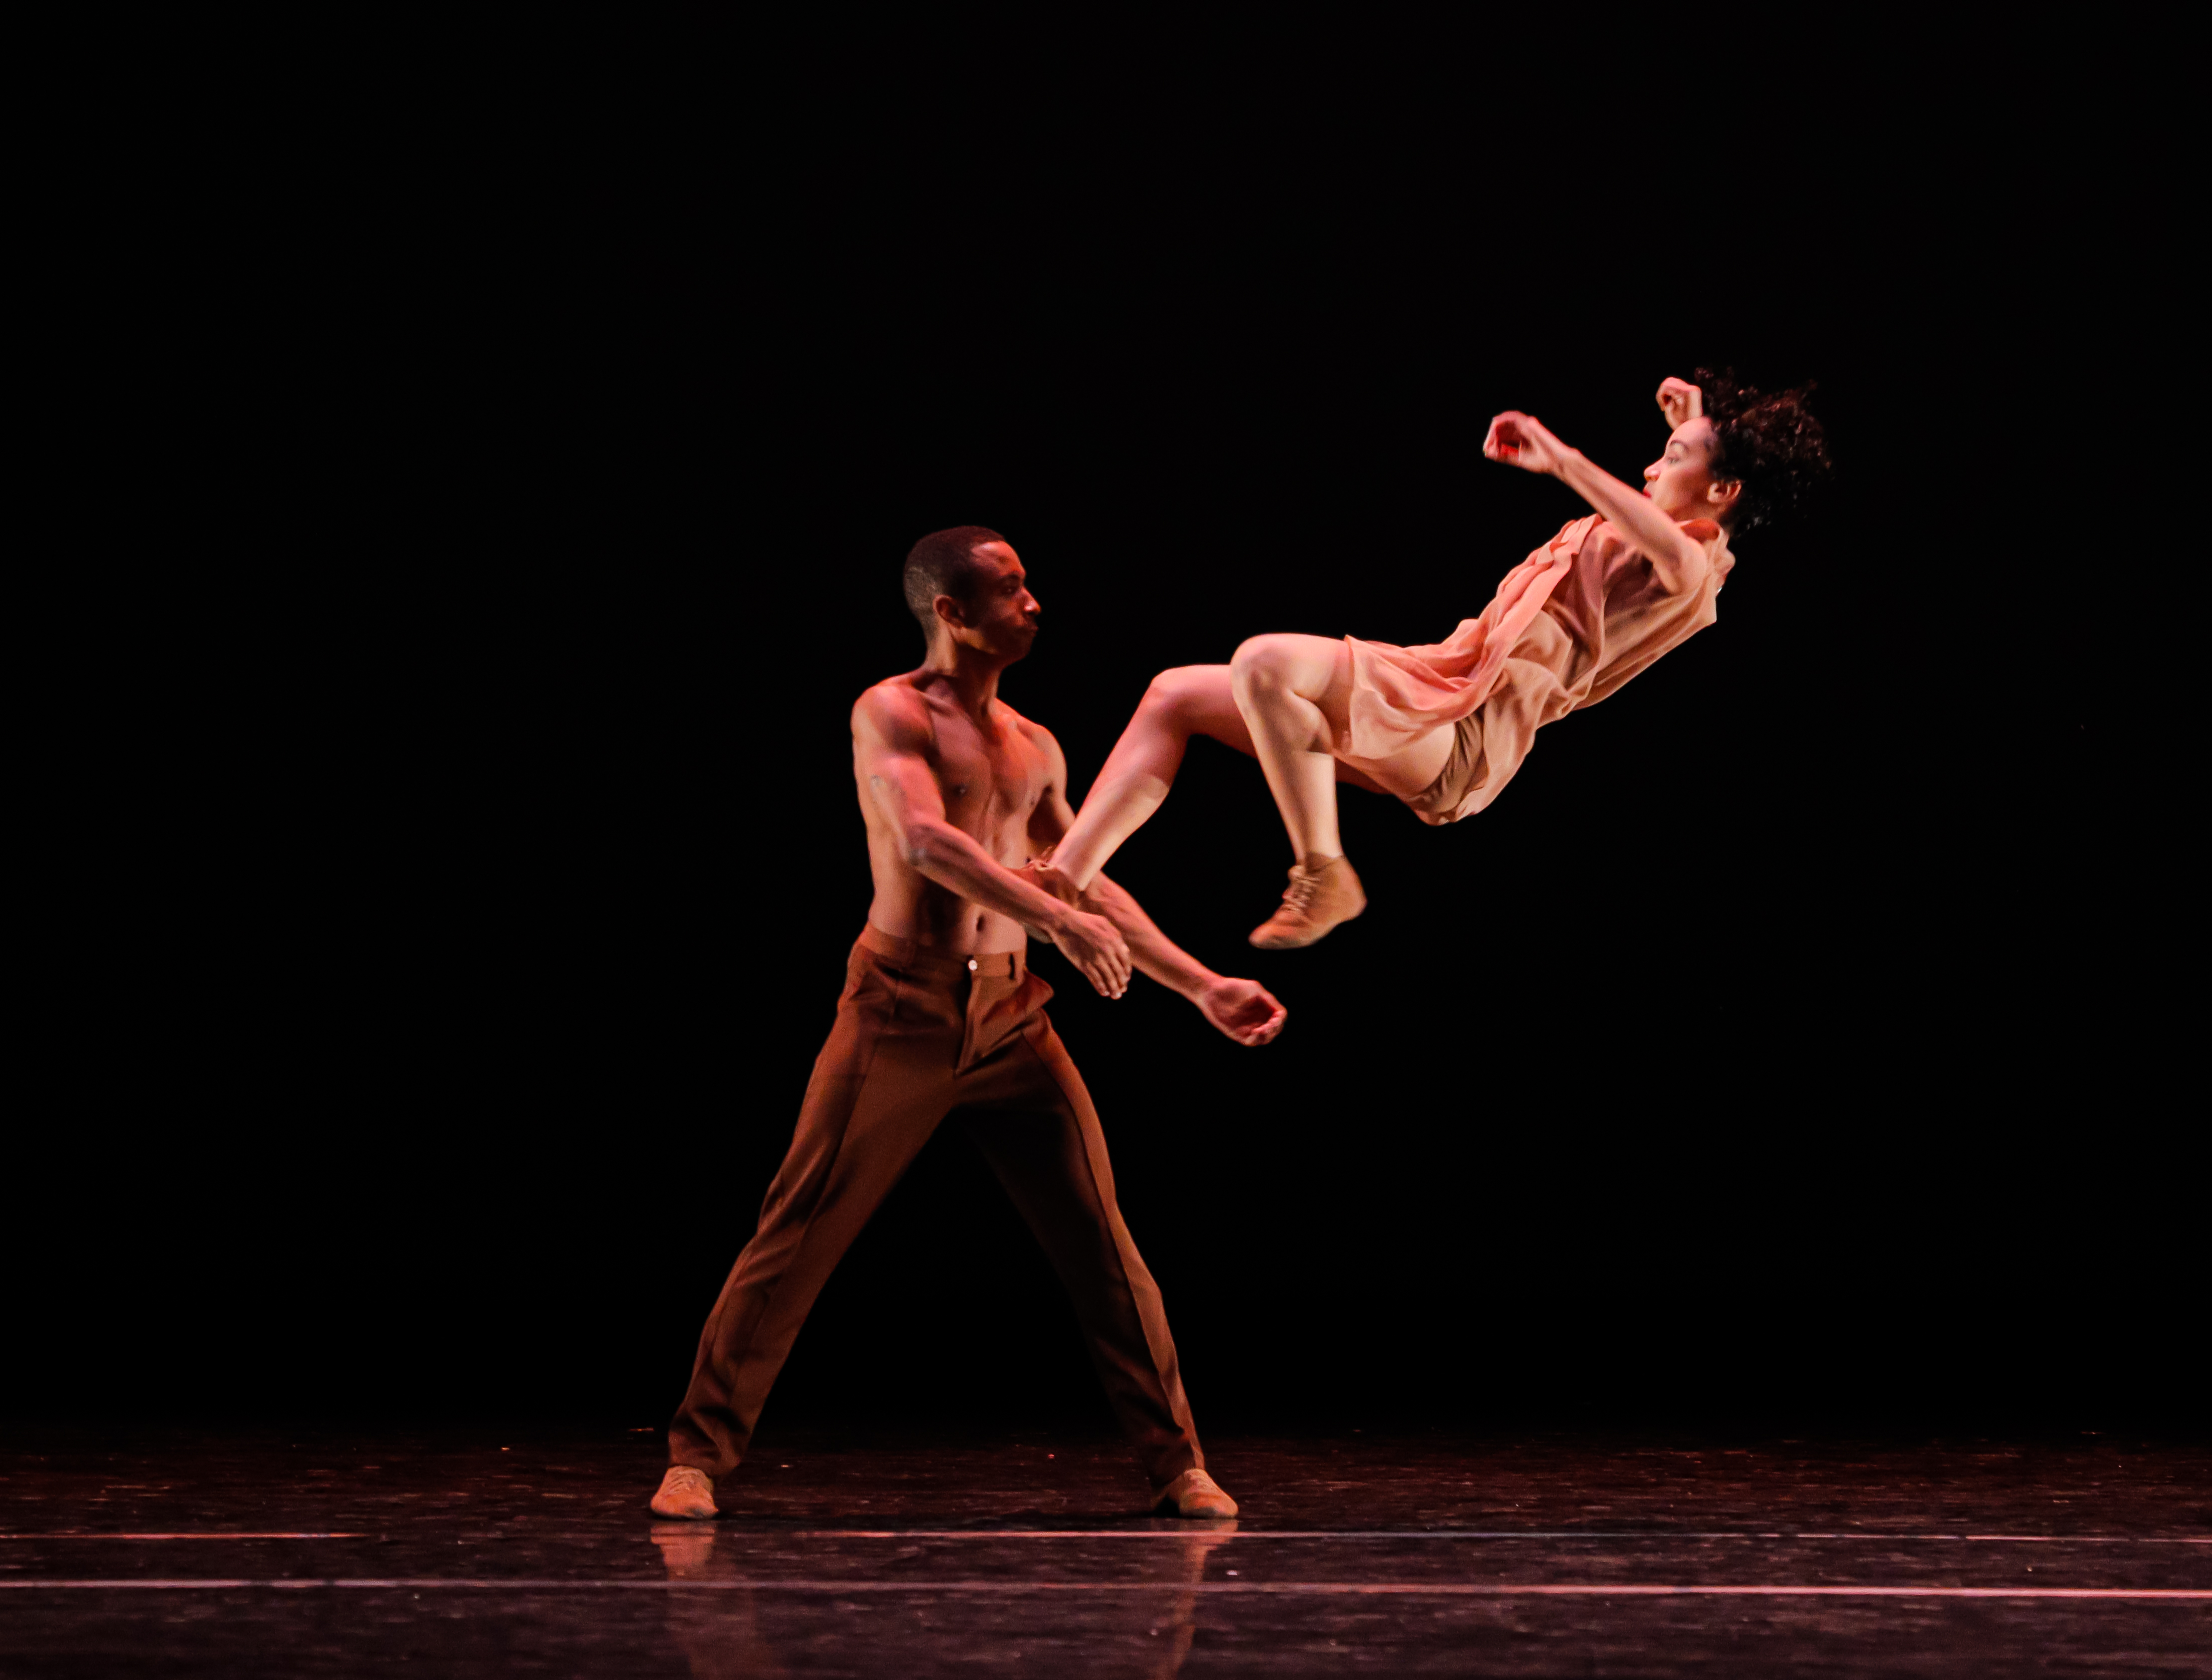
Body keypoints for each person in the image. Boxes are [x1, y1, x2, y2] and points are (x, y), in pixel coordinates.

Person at [650, 527, 1286, 1523]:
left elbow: (1084, 880)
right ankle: (697, 1455)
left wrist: (1198, 984)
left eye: (1029, 584)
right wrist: (1057, 920)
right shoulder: (891, 712)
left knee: (1103, 1245)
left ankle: (1178, 1465)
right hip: (900, 1007)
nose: (1033, 602)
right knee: (798, 1227)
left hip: (1011, 1015)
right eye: (1008, 588)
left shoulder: (1036, 744)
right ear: (950, 611)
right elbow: (924, 840)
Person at [1033, 372, 1831, 947]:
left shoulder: (1693, 575)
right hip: (1433, 685)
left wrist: (1561, 458)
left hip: (1465, 735)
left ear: (1723, 493)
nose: (1652, 467)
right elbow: (1655, 508)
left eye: (1672, 458)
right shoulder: (1659, 529)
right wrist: (1692, 423)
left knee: (1264, 662)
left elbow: (1664, 538)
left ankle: (1323, 871)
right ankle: (1065, 876)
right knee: (1174, 694)